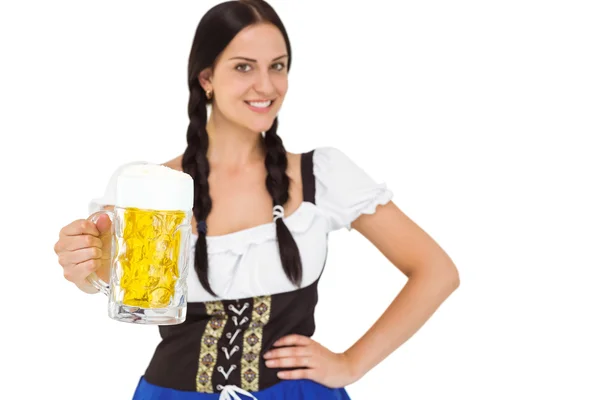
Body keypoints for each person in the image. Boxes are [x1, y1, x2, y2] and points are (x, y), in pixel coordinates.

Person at [53, 0, 460, 398]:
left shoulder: (322, 176)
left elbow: (436, 271)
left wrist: (351, 363)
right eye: (244, 66)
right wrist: (85, 269)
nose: (266, 85)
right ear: (206, 77)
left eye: (277, 66)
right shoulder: (152, 188)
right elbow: (105, 281)